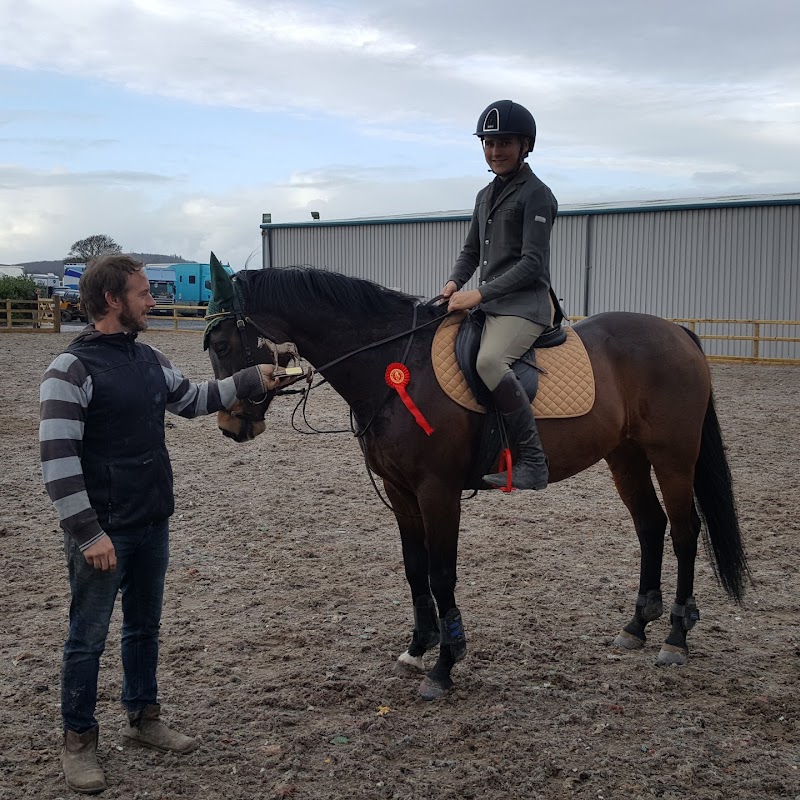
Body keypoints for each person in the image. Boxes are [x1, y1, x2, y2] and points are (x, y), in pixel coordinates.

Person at [39, 254, 282, 794]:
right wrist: (88, 533)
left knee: (144, 628)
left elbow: (194, 400)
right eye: (143, 293)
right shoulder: (68, 371)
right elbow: (57, 463)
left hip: (152, 521)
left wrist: (251, 375)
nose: (152, 301)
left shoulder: (148, 359)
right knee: (87, 638)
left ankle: (143, 718)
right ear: (111, 301)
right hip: (103, 531)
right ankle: (78, 740)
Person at [441, 99, 559, 491]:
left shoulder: (537, 195)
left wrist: (478, 295)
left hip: (524, 306)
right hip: (490, 302)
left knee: (490, 362)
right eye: (489, 143)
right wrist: (455, 283)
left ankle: (532, 461)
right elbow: (471, 251)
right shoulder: (483, 195)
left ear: (525, 145)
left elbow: (532, 264)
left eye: (504, 142)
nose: (495, 151)